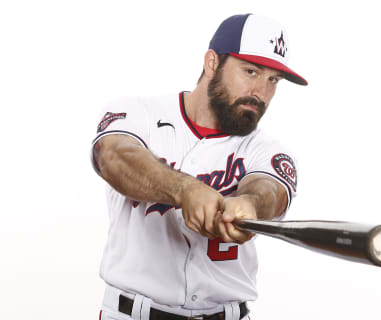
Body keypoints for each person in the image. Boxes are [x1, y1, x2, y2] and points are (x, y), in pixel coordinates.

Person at [91, 13, 307, 320]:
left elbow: (270, 190)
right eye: (251, 71)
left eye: (273, 79)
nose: (262, 92)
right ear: (212, 63)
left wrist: (250, 203)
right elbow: (113, 157)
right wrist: (184, 189)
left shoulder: (266, 148)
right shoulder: (138, 113)